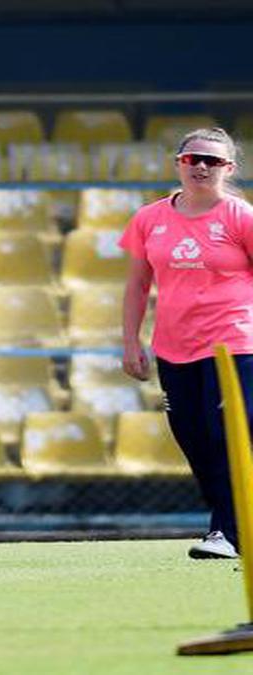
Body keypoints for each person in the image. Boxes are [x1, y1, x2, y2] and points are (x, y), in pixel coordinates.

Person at [121, 127, 251, 560]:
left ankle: (227, 532)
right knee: (191, 437)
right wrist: (130, 342)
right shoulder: (150, 218)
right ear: (178, 163)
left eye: (212, 161)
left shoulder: (240, 217)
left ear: (228, 169)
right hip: (175, 346)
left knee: (224, 435)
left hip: (233, 344)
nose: (200, 167)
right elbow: (138, 286)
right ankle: (230, 523)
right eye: (192, 158)